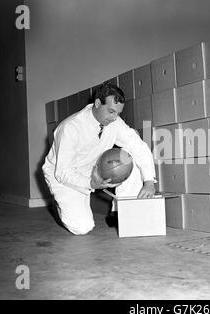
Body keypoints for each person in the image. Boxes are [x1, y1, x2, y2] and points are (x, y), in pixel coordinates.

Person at [42, 82, 156, 235]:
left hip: (95, 168)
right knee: (82, 228)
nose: (115, 118)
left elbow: (139, 147)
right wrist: (90, 183)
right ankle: (61, 203)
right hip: (64, 177)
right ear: (97, 103)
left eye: (118, 113)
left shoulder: (115, 122)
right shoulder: (70, 128)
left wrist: (149, 182)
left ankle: (122, 213)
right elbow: (62, 172)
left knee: (131, 159)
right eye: (111, 111)